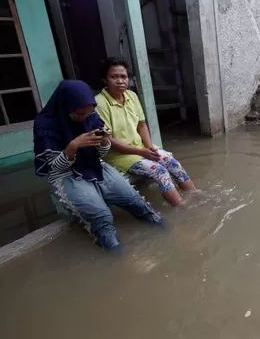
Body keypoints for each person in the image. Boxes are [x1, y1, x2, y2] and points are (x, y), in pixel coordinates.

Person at [34, 80, 165, 252]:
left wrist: (103, 142)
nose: (84, 118)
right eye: (79, 115)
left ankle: (168, 233)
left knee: (136, 203)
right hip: (66, 175)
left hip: (95, 166)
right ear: (66, 108)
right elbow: (54, 169)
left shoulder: (92, 116)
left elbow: (101, 154)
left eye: (88, 114)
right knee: (102, 218)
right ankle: (119, 259)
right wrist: (73, 147)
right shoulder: (46, 125)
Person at [95, 58, 196, 207]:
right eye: (114, 77)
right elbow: (108, 140)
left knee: (172, 162)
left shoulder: (131, 96)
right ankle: (183, 206)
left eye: (123, 77)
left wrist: (149, 148)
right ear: (105, 79)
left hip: (141, 147)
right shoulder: (99, 103)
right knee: (159, 171)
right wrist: (141, 152)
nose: (120, 81)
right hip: (119, 155)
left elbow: (141, 124)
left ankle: (196, 196)